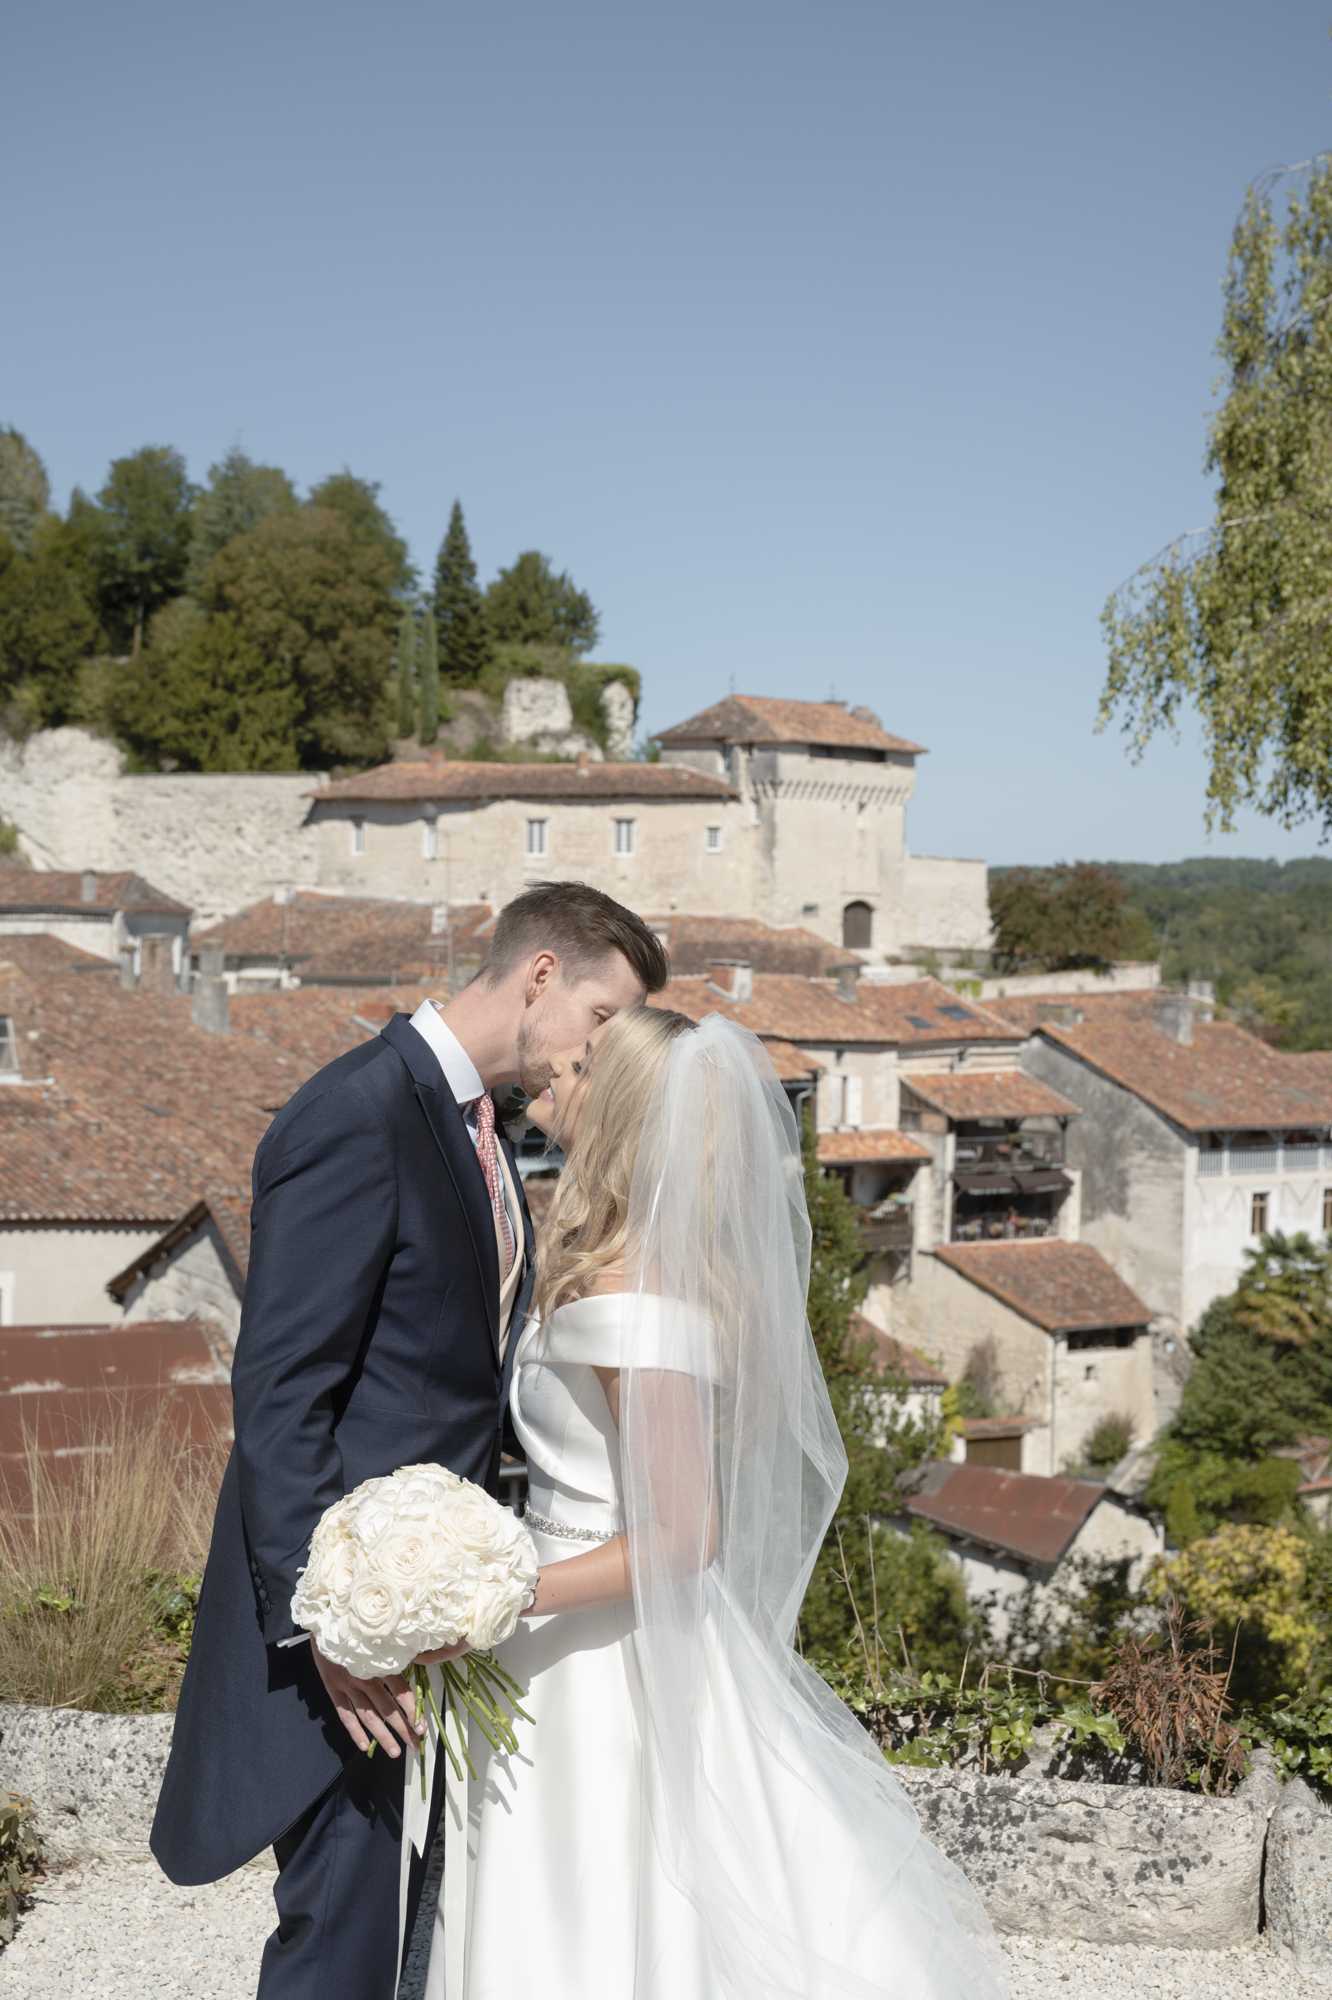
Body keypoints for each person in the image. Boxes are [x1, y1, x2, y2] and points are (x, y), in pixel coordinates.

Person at [149, 882, 668, 2000]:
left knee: (404, 1942)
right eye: (602, 1016)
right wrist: (330, 1622)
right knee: (338, 1939)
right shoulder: (355, 1111)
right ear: (540, 975)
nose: (604, 1049)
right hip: (352, 1636)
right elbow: (284, 1393)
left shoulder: (482, 1130)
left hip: (440, 1621)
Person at [427, 1004, 1009, 1999]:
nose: (544, 1085)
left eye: (569, 1073)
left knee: (598, 1910)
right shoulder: (605, 1257)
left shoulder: (637, 1302)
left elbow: (685, 1532)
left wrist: (506, 1590)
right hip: (562, 1636)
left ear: (617, 1110)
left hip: (605, 1660)